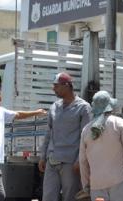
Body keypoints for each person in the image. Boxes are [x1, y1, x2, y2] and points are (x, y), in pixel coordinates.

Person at [78, 91, 123, 201]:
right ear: (109, 107)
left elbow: (83, 161)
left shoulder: (86, 130)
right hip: (119, 182)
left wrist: (87, 185)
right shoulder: (119, 123)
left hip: (97, 186)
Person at [40, 73, 91, 201]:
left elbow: (86, 138)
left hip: (70, 162)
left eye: (56, 86)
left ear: (67, 86)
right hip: (52, 160)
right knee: (48, 196)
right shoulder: (54, 107)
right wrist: (42, 157)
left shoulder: (83, 108)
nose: (53, 89)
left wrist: (80, 160)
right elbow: (48, 133)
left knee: (70, 197)